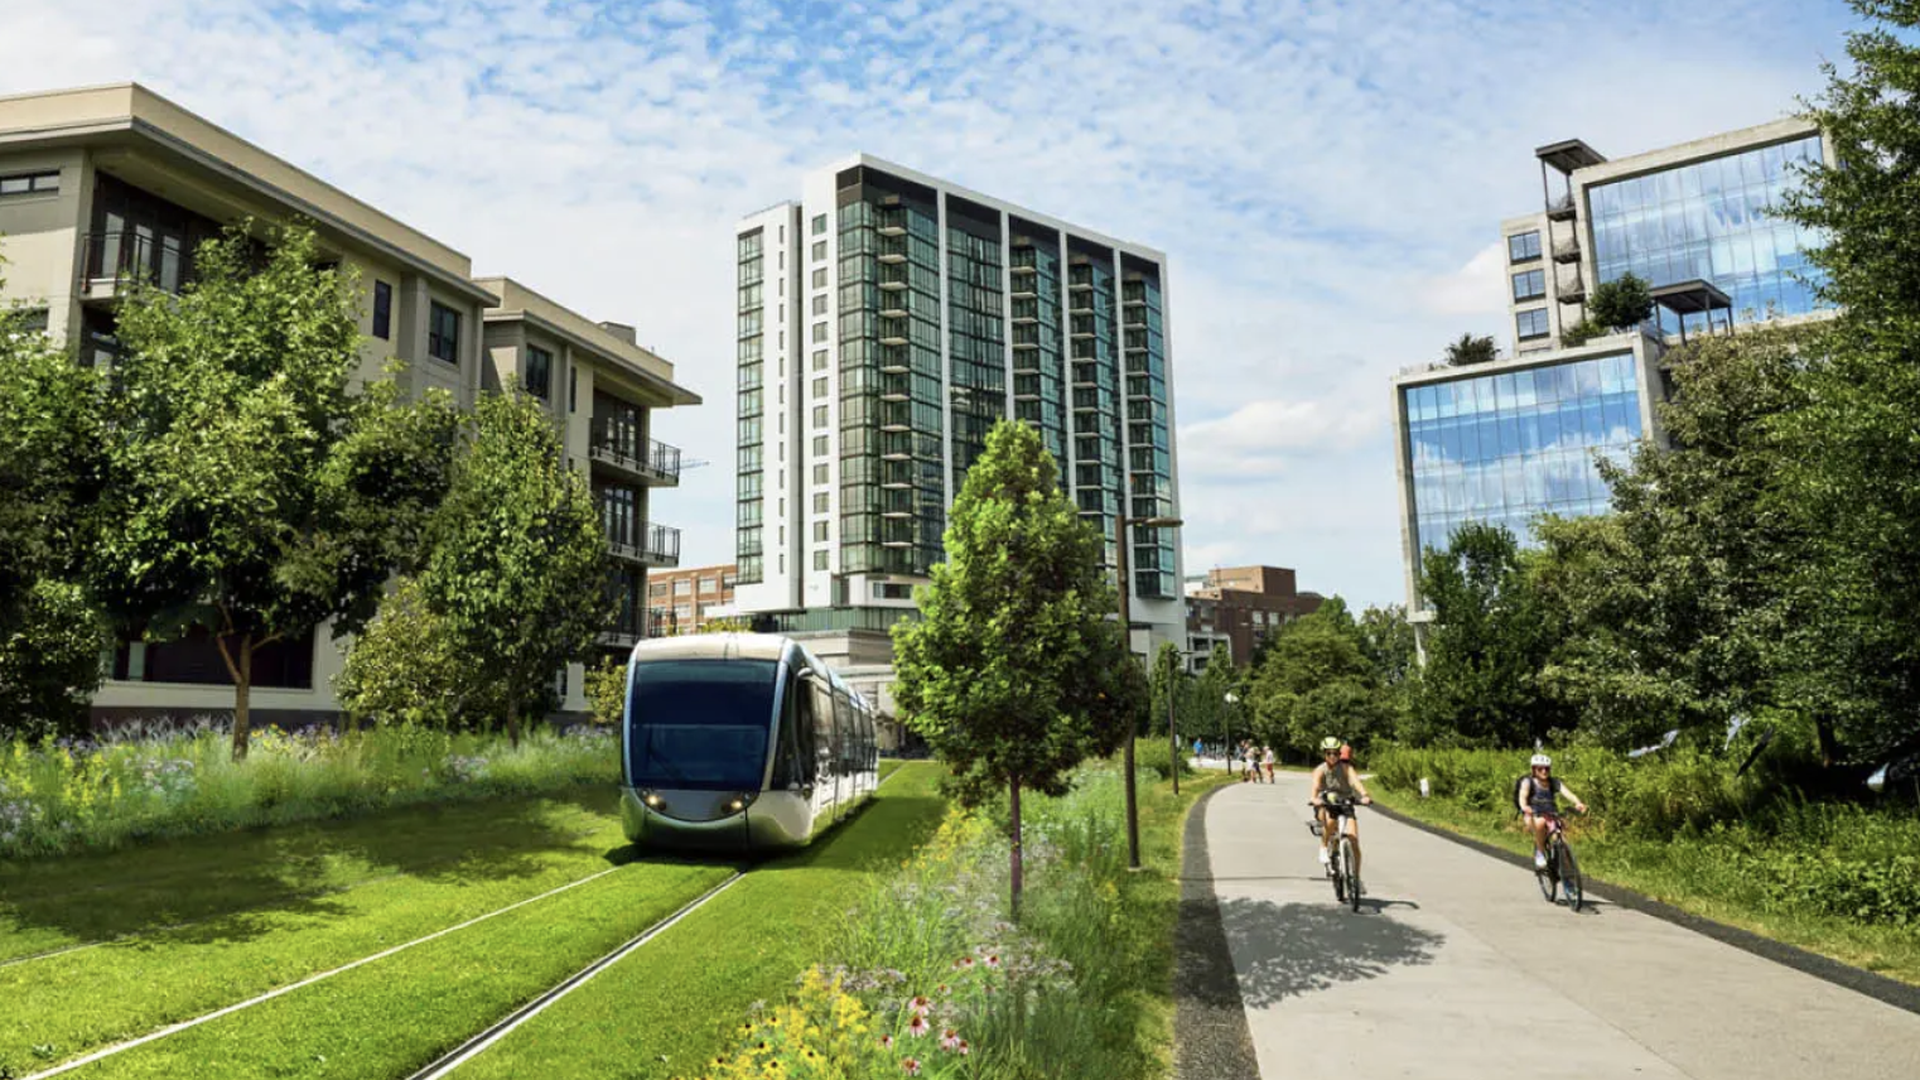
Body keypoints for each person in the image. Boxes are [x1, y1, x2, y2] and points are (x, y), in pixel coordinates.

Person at [1308, 736, 1372, 880]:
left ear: (1339, 754)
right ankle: (1324, 847)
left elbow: (1355, 782)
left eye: (1335, 753)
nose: (1332, 756)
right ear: (1324, 754)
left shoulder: (1346, 767)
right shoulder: (1320, 769)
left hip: (1345, 803)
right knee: (1330, 823)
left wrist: (1364, 795)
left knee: (1354, 840)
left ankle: (1356, 877)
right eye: (1328, 753)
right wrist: (1314, 798)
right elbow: (1316, 786)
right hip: (1327, 803)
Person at [1518, 753, 1587, 870]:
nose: (1544, 771)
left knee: (1561, 841)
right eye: (1540, 768)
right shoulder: (1528, 782)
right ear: (1534, 769)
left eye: (1547, 768)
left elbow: (1568, 793)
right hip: (1533, 815)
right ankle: (1540, 852)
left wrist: (1577, 802)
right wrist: (1524, 806)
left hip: (1551, 815)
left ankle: (1567, 875)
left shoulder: (1554, 782)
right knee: (1540, 823)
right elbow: (1522, 796)